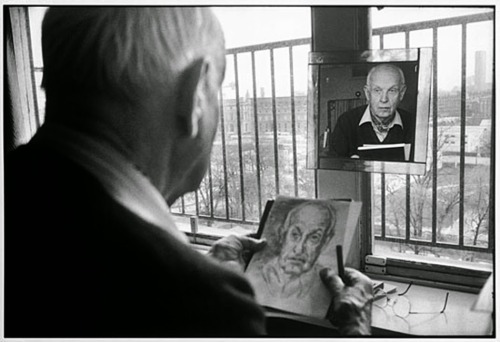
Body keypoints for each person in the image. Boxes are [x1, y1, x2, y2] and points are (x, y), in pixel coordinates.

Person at [5, 7, 373, 337]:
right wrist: (354, 329)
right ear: (195, 93)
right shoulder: (200, 308)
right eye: (217, 91)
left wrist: (206, 267)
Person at [330, 64, 414, 161]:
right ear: (367, 93)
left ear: (402, 93)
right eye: (377, 90)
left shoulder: (414, 124)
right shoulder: (346, 122)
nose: (384, 99)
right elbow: (335, 169)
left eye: (392, 90)